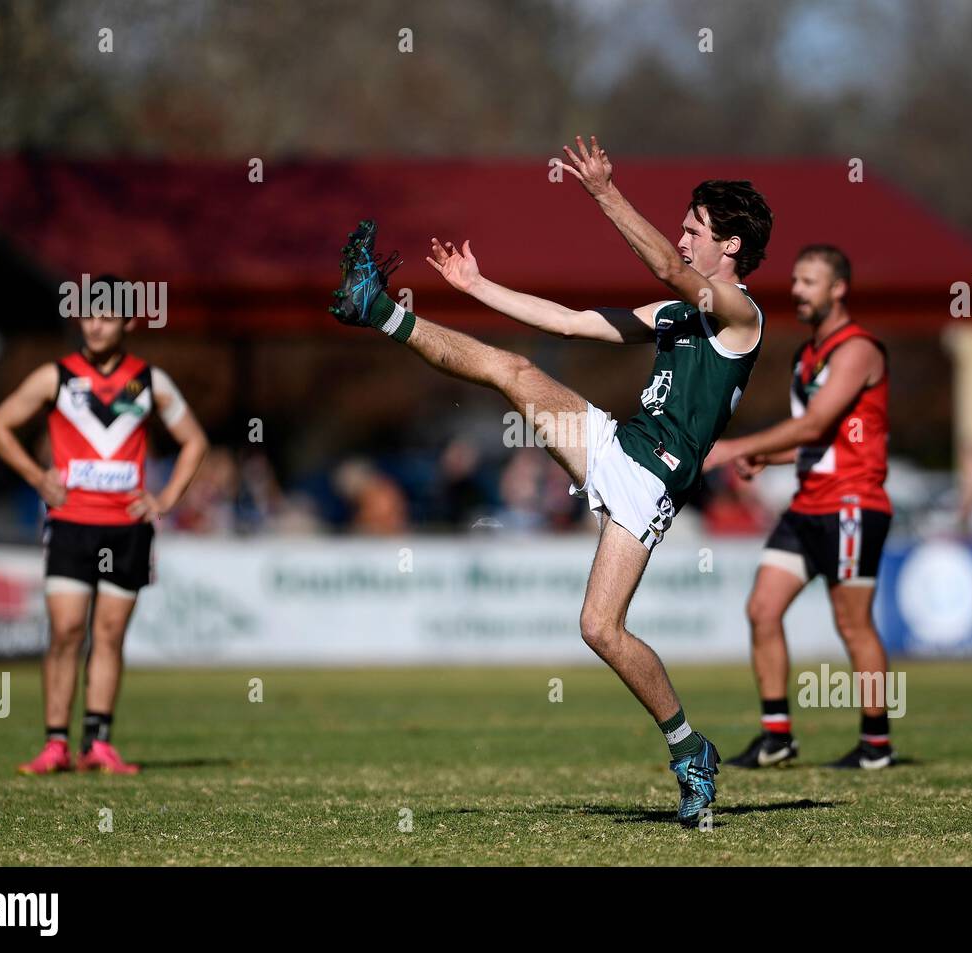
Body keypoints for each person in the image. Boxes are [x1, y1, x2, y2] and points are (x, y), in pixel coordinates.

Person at [329, 135, 772, 825]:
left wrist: (603, 191)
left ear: (732, 247)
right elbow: (571, 322)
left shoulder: (741, 318)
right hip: (618, 444)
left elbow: (661, 265)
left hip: (650, 484)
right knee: (513, 369)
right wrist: (479, 287)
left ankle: (690, 750)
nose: (683, 238)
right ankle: (377, 309)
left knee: (600, 628)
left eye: (695, 229)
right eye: (684, 227)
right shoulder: (682, 313)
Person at [0, 280, 208, 774]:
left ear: (129, 322)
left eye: (107, 315)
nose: (96, 324)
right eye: (88, 315)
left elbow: (194, 441)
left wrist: (166, 499)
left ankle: (98, 743)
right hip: (70, 525)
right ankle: (55, 743)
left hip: (127, 528)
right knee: (65, 632)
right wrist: (37, 477)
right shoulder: (56, 378)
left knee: (108, 635)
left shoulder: (149, 381)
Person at [706, 245, 896, 770]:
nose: (797, 291)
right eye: (795, 280)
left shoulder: (857, 350)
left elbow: (814, 426)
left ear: (838, 289)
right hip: (809, 505)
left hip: (853, 506)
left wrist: (737, 447)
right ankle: (776, 737)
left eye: (809, 281)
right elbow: (816, 439)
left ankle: (876, 742)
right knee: (762, 609)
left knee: (852, 624)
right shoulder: (806, 356)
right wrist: (768, 456)